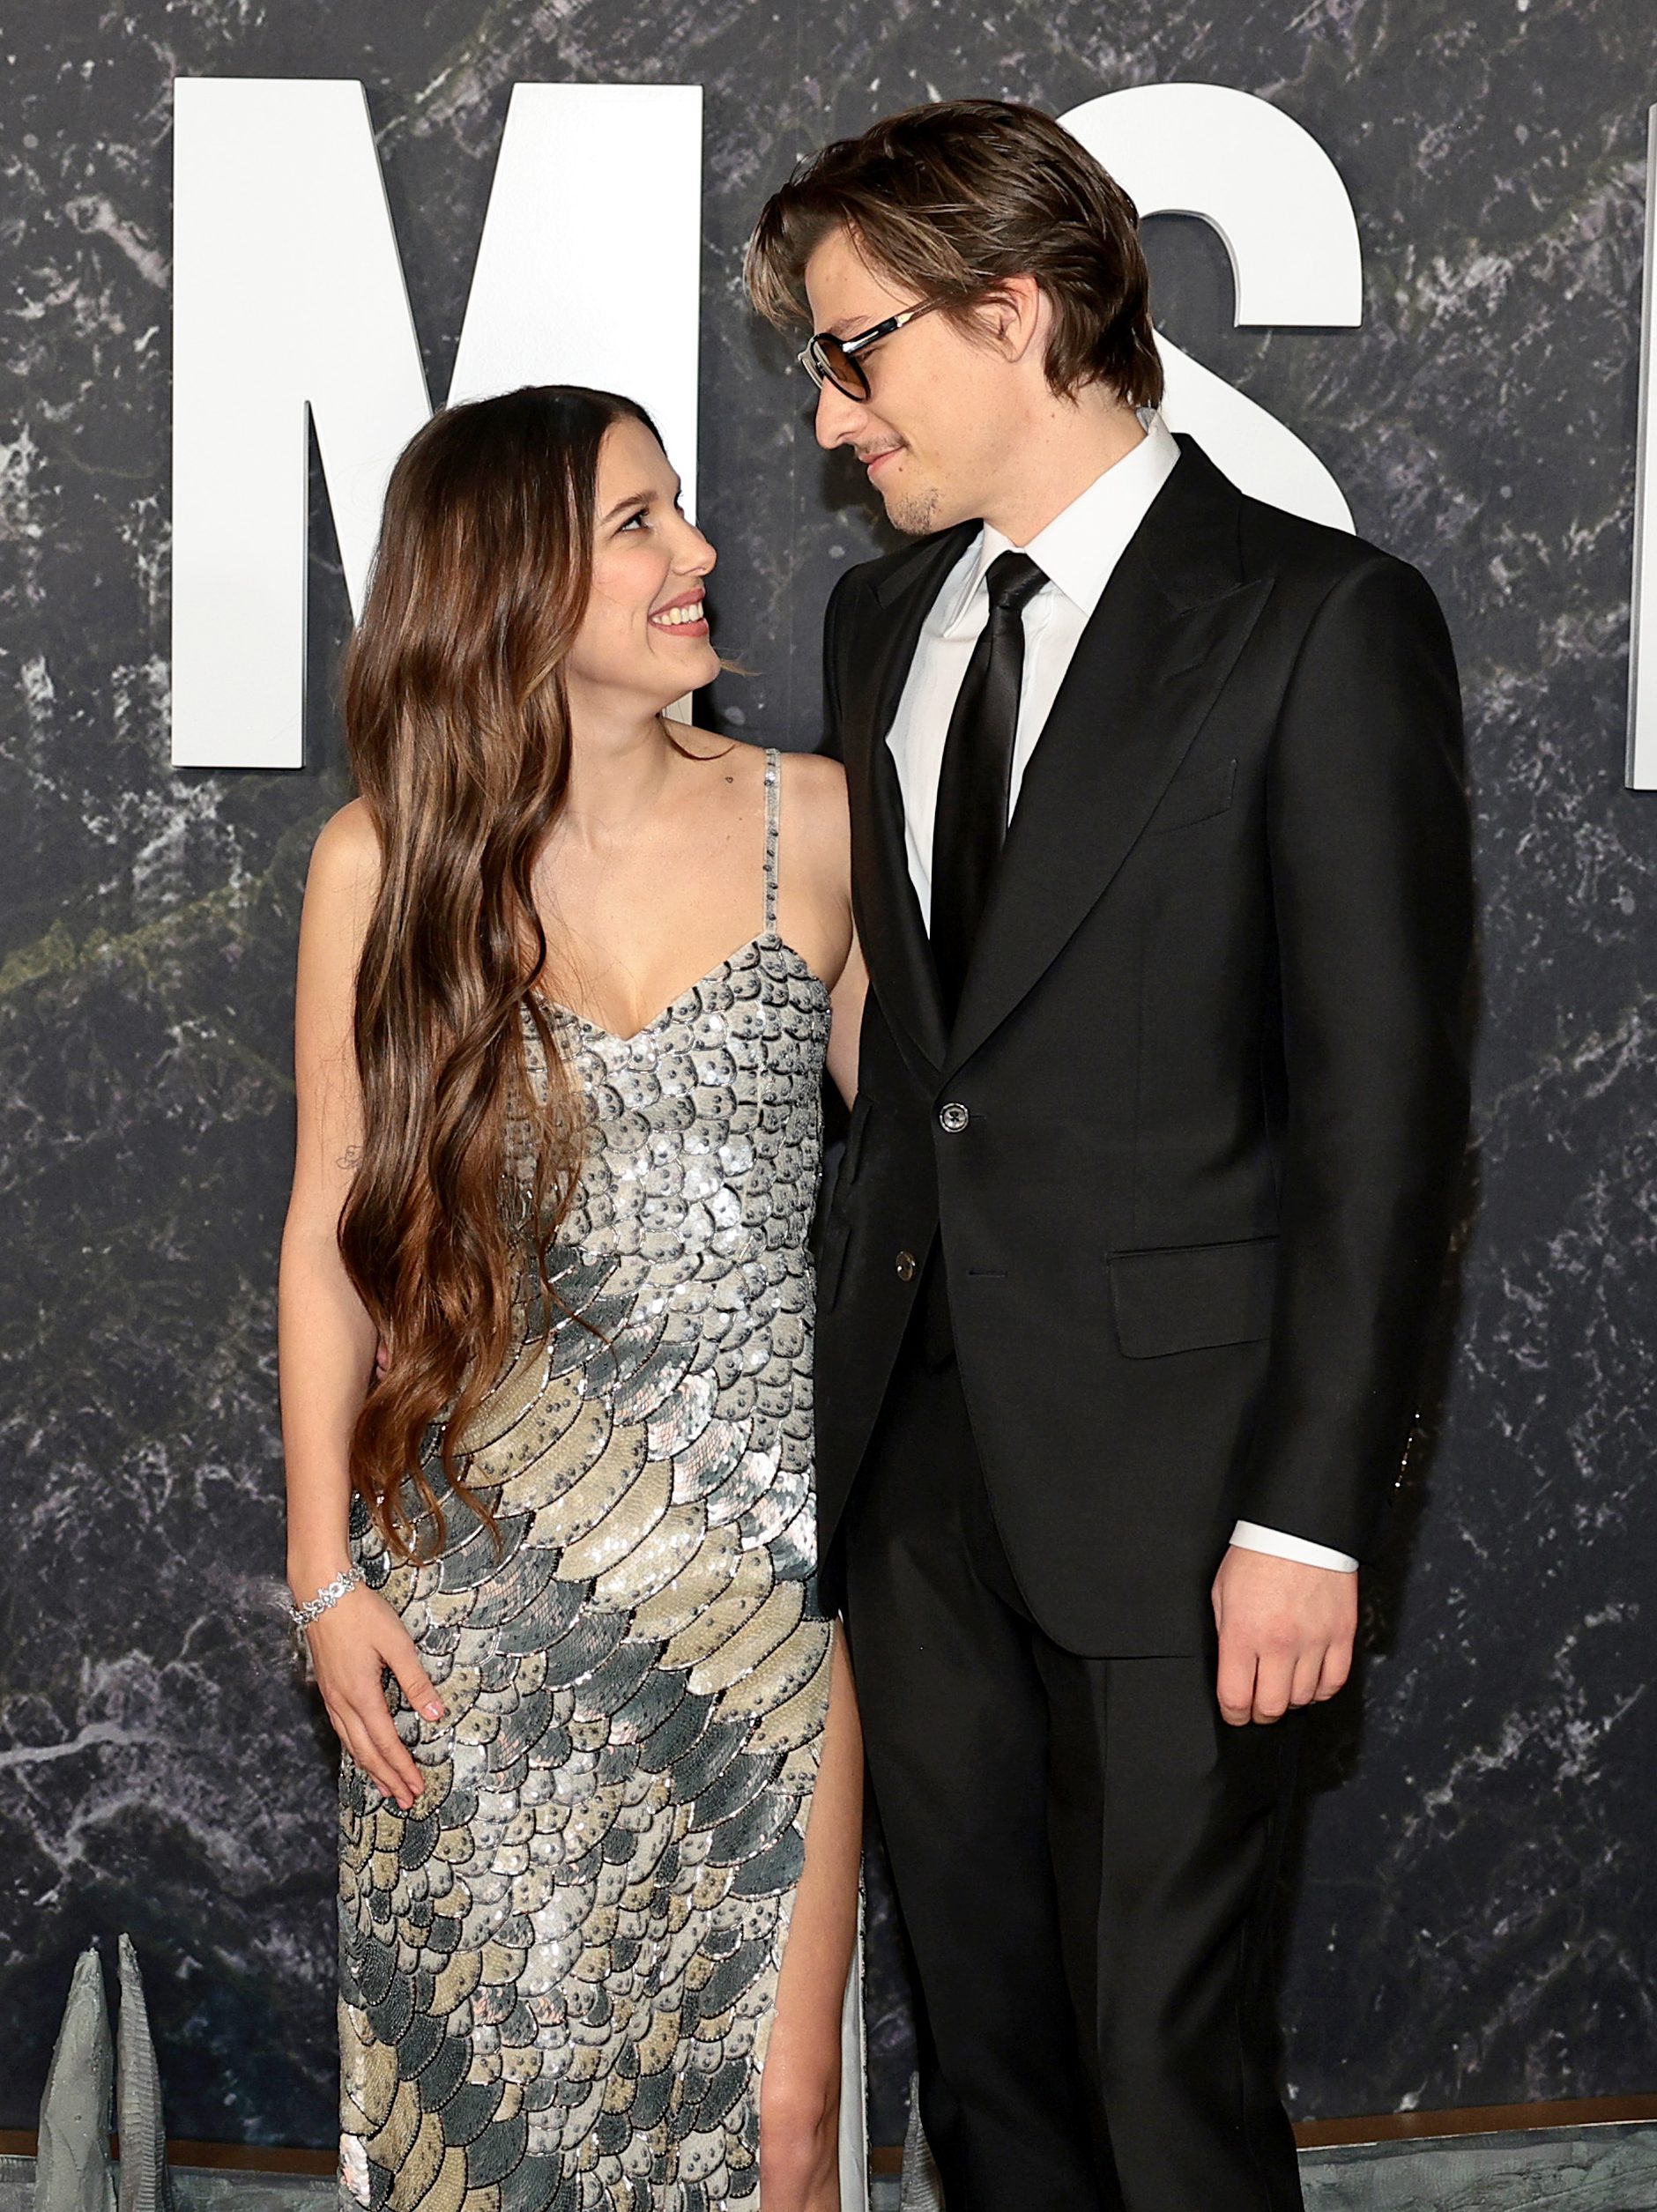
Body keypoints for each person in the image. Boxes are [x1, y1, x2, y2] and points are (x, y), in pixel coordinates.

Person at [745, 99, 1474, 2212]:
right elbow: (922, 1058)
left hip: (1191, 1495)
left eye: (857, 346)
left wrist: (1314, 1517)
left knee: (1164, 2070)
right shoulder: (888, 632)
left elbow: (1387, 1114)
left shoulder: (1317, 620)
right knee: (992, 2079)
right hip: (916, 1475)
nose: (829, 412)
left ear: (1017, 307)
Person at [277, 385, 871, 2212]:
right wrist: (323, 1577)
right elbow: (329, 1232)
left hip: (770, 1614)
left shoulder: (825, 823)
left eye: (678, 512)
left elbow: (955, 1199)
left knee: (780, 2137)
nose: (698, 554)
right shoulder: (381, 865)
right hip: (480, 1624)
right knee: (501, 2150)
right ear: (508, 581)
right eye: (639, 522)